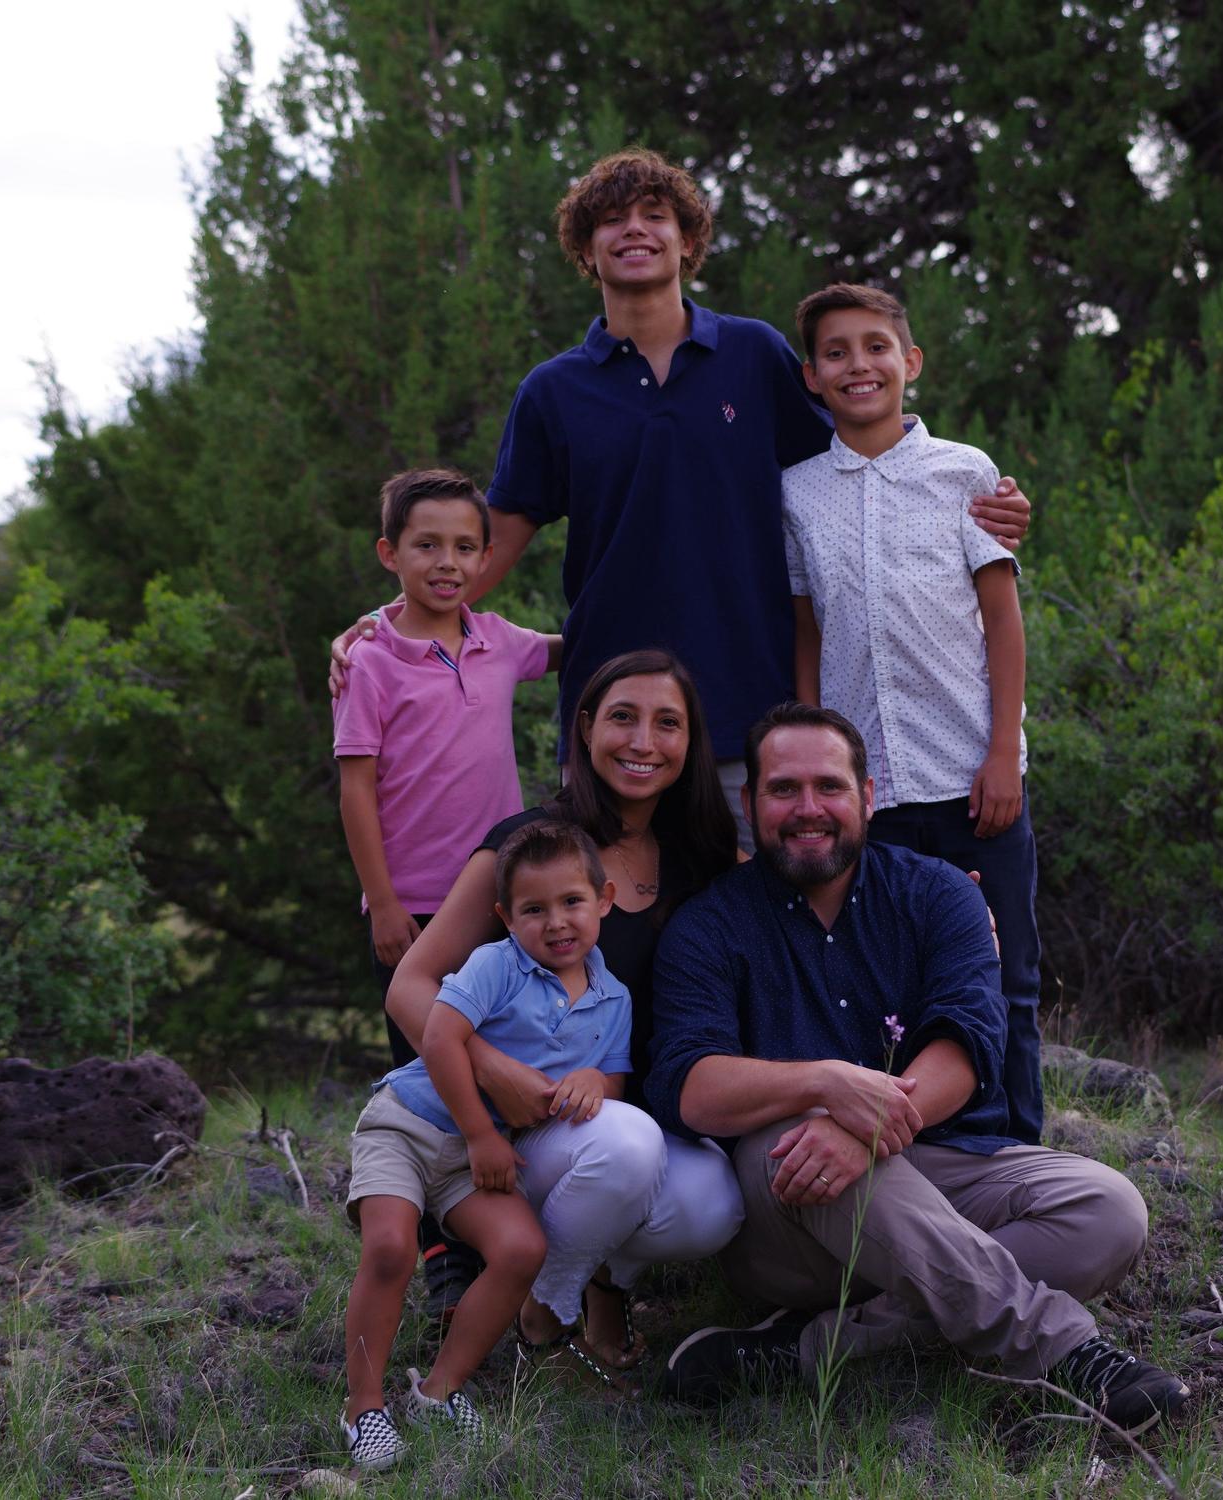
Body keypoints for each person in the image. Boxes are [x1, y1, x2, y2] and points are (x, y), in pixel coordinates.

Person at [329, 148, 1029, 847]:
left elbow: (859, 458)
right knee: (616, 930)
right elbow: (494, 537)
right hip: (613, 722)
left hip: (755, 710)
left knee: (768, 934)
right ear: (586, 249)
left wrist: (966, 494)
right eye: (611, 220)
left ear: (687, 240)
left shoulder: (753, 356)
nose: (634, 229)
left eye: (654, 215)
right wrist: (393, 624)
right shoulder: (552, 391)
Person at [648, 704, 1190, 1434]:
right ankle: (1066, 1352)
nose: (808, 809)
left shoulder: (941, 895)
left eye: (829, 787)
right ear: (750, 805)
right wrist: (824, 1087)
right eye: (783, 790)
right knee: (811, 1137)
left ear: (868, 797)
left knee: (1108, 1212)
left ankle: (806, 1347)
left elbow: (969, 1046)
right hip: (786, 1201)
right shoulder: (707, 925)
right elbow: (690, 1083)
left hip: (931, 1164)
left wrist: (865, 1131)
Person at [385, 649, 744, 1377]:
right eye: (622, 718)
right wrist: (490, 1066)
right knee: (627, 1149)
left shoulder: (703, 857)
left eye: (666, 723)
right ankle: (542, 1306)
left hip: (624, 1112)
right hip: (521, 1128)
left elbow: (811, 890)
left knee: (713, 1205)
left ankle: (604, 1278)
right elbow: (408, 986)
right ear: (584, 728)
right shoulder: (529, 848)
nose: (643, 742)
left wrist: (941, 896)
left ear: (690, 742)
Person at [782, 282, 1044, 1144]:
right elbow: (809, 632)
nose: (858, 364)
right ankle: (918, 1163)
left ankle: (1018, 1158)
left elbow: (1001, 622)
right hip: (872, 796)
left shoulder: (964, 473)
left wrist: (1002, 753)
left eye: (875, 346)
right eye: (835, 352)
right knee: (890, 984)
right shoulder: (798, 494)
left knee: (1003, 980)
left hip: (971, 778)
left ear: (910, 362)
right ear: (812, 376)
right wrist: (822, 774)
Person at [341, 819, 628, 1468]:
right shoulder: (496, 964)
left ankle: (439, 1391)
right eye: (533, 909)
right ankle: (364, 1409)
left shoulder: (614, 999)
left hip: (478, 1156)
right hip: (413, 1125)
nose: (555, 923)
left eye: (572, 903)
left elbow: (615, 1075)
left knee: (521, 1248)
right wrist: (478, 1134)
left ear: (604, 900)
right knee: (390, 1247)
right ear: (504, 916)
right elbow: (441, 1038)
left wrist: (593, 1079)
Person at [332, 467, 561, 1059]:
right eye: (426, 545)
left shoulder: (500, 641)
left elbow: (573, 649)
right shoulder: (368, 662)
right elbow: (355, 791)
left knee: (505, 1051)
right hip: (412, 905)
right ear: (390, 553)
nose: (446, 563)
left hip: (499, 892)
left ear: (486, 558)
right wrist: (381, 903)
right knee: (427, 1065)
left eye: (464, 548)